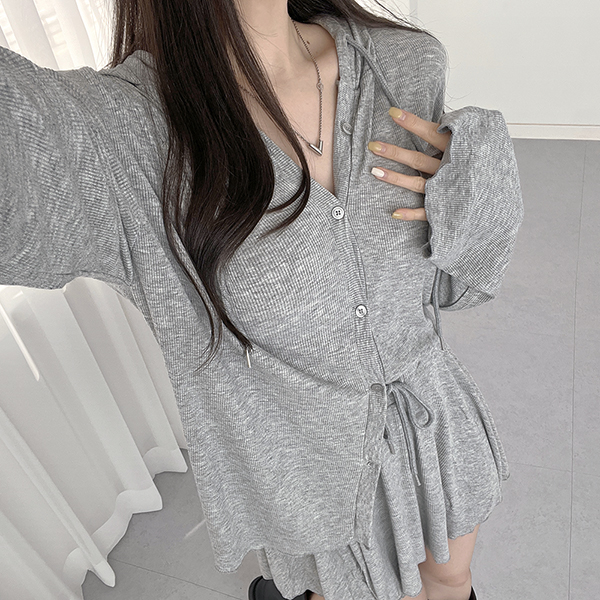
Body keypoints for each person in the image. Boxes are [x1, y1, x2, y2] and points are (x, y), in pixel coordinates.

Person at [0, 1, 524, 599]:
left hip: (435, 425)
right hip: (308, 468)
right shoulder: (128, 130)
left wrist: (476, 185)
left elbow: (456, 284)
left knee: (452, 580)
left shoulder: (404, 64)